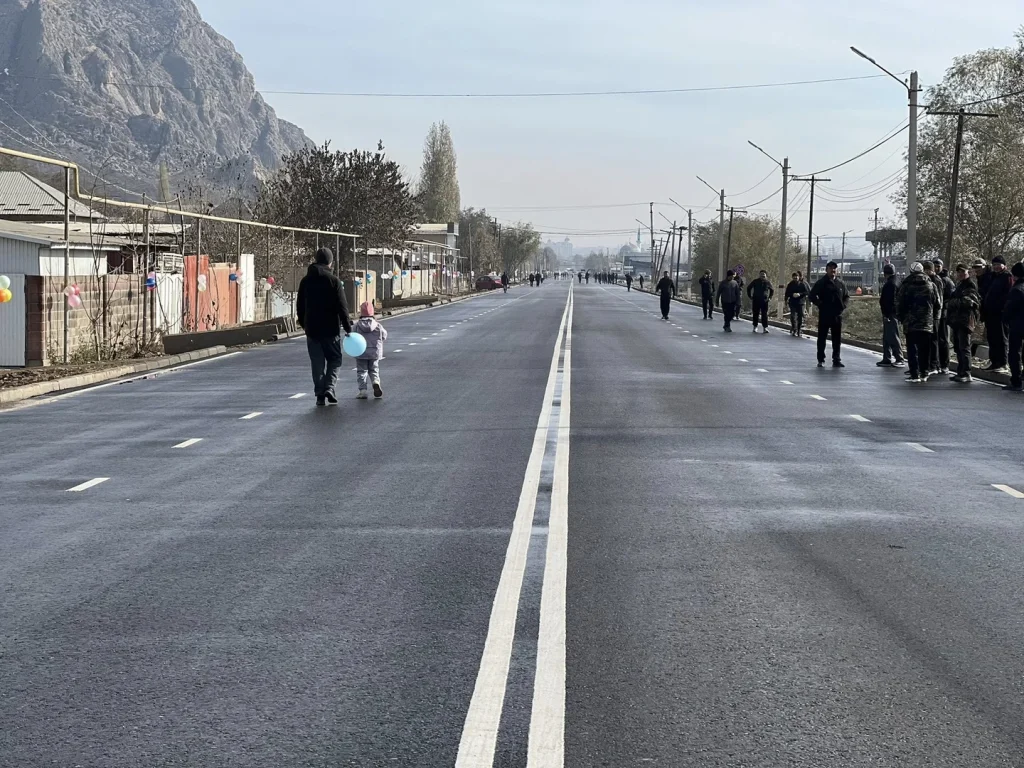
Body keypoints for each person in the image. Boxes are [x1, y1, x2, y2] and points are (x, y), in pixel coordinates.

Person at [296, 247, 352, 406]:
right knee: (335, 359)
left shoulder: (305, 281)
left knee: (317, 363)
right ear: (330, 262)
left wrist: (305, 324)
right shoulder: (334, 281)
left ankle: (320, 395)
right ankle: (329, 387)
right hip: (330, 330)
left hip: (312, 330)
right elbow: (342, 306)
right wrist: (347, 327)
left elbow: (300, 306)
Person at [897, 262, 938, 383]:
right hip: (927, 322)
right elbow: (938, 303)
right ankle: (924, 373)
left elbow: (899, 303)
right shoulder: (931, 284)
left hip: (911, 322)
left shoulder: (906, 285)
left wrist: (901, 318)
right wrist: (932, 317)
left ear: (911, 271)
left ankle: (914, 374)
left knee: (912, 349)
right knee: (925, 348)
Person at [808, 261, 849, 367]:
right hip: (825, 314)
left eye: (834, 268)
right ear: (827, 270)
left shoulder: (840, 283)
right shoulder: (821, 283)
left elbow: (846, 296)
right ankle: (821, 359)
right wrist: (820, 304)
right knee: (822, 337)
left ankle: (836, 359)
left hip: (837, 315)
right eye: (830, 268)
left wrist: (844, 306)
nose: (833, 270)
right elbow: (811, 296)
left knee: (837, 339)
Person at [946, 263, 981, 383]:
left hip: (965, 321)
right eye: (959, 272)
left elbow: (968, 302)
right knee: (958, 348)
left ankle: (966, 372)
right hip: (957, 321)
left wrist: (952, 302)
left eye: (963, 272)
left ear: (968, 272)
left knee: (964, 347)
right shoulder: (959, 285)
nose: (960, 274)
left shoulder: (970, 285)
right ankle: (960, 371)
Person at [982, 255, 1014, 372]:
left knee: (1001, 338)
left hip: (1000, 313)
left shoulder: (1007, 277)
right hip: (990, 313)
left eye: (998, 264)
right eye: (994, 265)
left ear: (1004, 265)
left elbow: (1009, 294)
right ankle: (994, 362)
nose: (996, 267)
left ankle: (1003, 363)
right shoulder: (993, 277)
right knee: (992, 338)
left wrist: (1002, 308)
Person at [352, 301, 388, 399]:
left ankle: (363, 391)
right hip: (374, 352)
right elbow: (384, 336)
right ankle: (375, 382)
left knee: (361, 371)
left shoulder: (357, 326)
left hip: (361, 352)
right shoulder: (378, 325)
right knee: (374, 369)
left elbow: (353, 337)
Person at [876, 263, 906, 367]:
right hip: (893, 313)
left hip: (890, 314)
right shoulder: (898, 281)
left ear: (885, 274)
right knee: (887, 337)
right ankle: (887, 358)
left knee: (893, 336)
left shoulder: (890, 284)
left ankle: (899, 358)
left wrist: (887, 314)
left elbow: (889, 301)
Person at [922, 260, 946, 375]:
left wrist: (936, 315)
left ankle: (934, 364)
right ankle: (927, 364)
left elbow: (939, 300)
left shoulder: (936, 280)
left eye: (928, 270)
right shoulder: (927, 280)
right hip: (927, 315)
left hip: (935, 316)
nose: (927, 272)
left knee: (934, 340)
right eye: (925, 270)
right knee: (928, 340)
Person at [1003, 261, 1024, 392]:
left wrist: (1005, 319)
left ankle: (1016, 381)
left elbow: (1009, 308)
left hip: (1017, 325)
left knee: (1015, 353)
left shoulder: (1016, 289)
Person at [933, 259, 956, 374]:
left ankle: (945, 364)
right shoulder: (931, 279)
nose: (936, 268)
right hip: (934, 315)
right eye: (935, 266)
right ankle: (935, 363)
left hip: (943, 315)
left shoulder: (947, 281)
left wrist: (943, 307)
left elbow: (951, 298)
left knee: (943, 339)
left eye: (938, 266)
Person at [747, 269, 774, 333]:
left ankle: (765, 328)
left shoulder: (767, 282)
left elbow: (772, 290)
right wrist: (750, 296)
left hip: (764, 301)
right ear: (759, 275)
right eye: (761, 275)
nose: (762, 276)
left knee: (764, 314)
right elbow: (749, 288)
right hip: (756, 300)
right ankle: (755, 326)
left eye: (764, 275)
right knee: (755, 313)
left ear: (766, 276)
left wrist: (770, 297)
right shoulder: (755, 281)